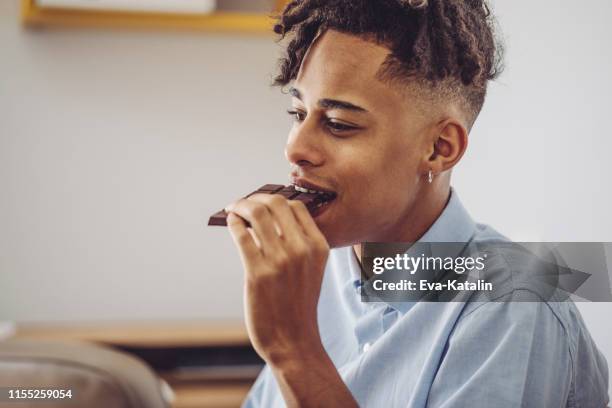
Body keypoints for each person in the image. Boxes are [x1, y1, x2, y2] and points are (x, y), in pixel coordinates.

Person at [223, 0, 609, 406]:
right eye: (297, 112)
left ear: (439, 148)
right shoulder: (314, 274)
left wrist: (294, 350)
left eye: (339, 125)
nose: (295, 149)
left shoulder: (516, 305)